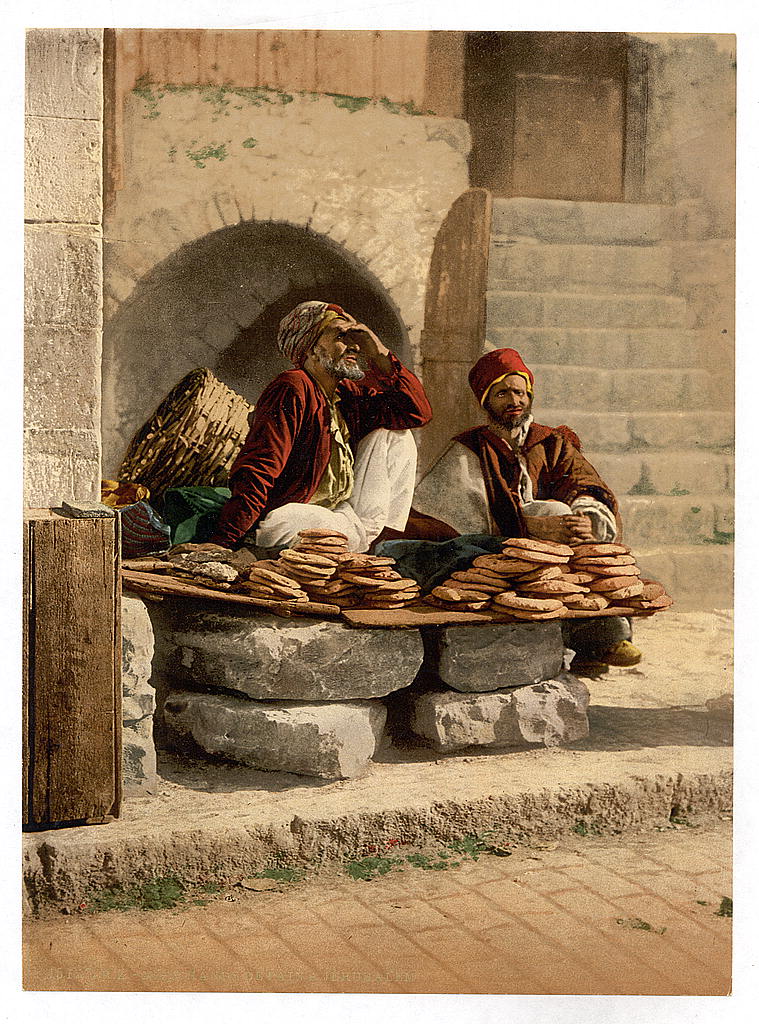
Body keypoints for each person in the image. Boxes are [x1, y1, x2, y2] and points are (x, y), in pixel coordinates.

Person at [411, 347, 641, 668]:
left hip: (560, 550)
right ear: (486, 402)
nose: (513, 401)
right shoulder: (467, 449)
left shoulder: (551, 443)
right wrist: (528, 526)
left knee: (573, 531)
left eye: (519, 392)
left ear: (529, 395)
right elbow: (451, 520)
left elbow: (584, 482)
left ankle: (603, 637)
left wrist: (586, 517)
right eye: (502, 393)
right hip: (493, 553)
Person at [206, 300, 432, 553]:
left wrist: (379, 352)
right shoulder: (292, 387)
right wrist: (222, 543)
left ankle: (366, 544)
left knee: (397, 434)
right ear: (312, 348)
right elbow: (259, 469)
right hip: (291, 517)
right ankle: (350, 546)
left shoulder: (347, 395)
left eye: (355, 338)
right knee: (295, 521)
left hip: (342, 515)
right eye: (341, 336)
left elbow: (416, 412)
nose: (355, 346)